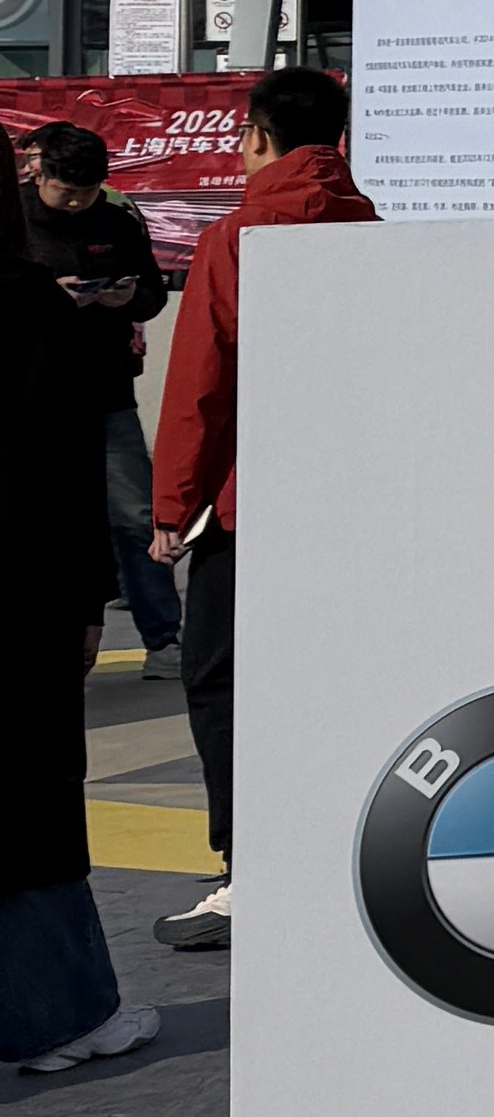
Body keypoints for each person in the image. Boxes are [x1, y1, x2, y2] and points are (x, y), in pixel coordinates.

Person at [143, 67, 377, 956]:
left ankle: (253, 872)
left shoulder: (236, 239)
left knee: (221, 680)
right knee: (333, 682)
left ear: (255, 137)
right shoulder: (372, 232)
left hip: (255, 506)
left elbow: (201, 388)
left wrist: (174, 506)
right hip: (352, 506)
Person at [1, 233, 152, 1074]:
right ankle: (66, 1014)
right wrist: (90, 596)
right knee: (31, 802)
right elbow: (65, 462)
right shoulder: (26, 303)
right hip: (22, 594)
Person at [18, 124, 177, 656]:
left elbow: (153, 292)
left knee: (134, 516)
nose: (74, 203)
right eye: (64, 192)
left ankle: (163, 638)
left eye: (85, 194)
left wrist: (128, 298)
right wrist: (48, 300)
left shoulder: (117, 220)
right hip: (33, 398)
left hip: (105, 391)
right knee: (39, 516)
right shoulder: (15, 219)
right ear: (41, 175)